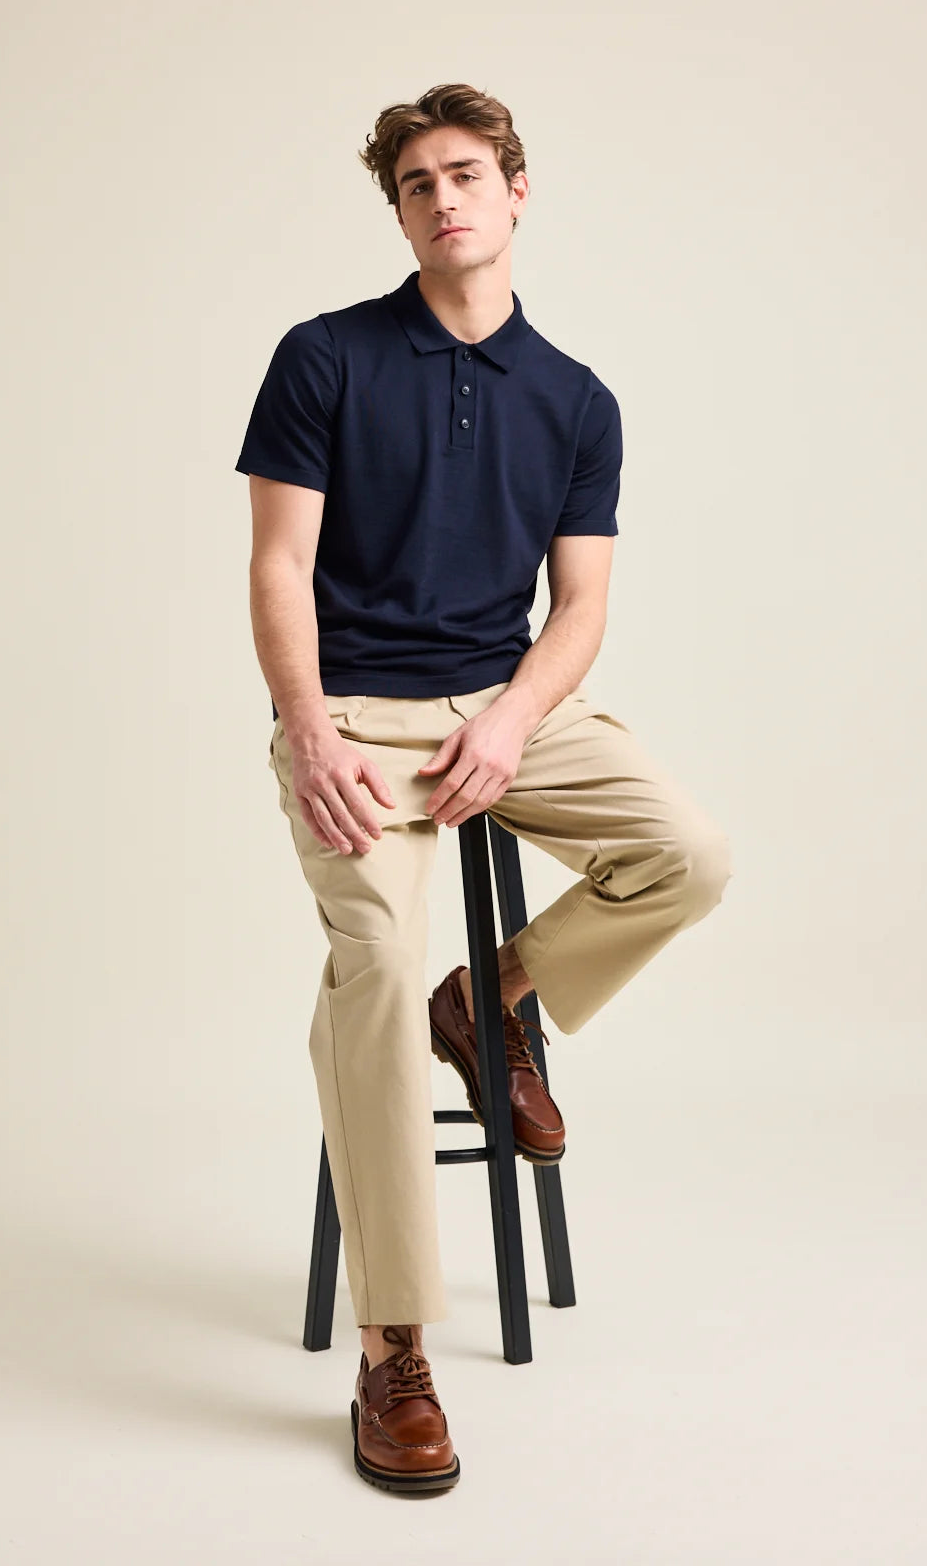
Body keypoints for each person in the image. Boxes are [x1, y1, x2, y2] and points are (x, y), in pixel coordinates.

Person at [236, 82, 732, 1495]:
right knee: (376, 962)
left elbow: (579, 608)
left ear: (517, 192)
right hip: (351, 718)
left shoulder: (577, 400)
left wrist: (515, 721)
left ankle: (497, 998)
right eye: (415, 185)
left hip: (501, 707)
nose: (443, 199)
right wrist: (310, 729)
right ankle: (395, 1346)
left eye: (466, 174)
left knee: (687, 852)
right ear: (397, 213)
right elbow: (278, 566)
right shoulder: (324, 359)